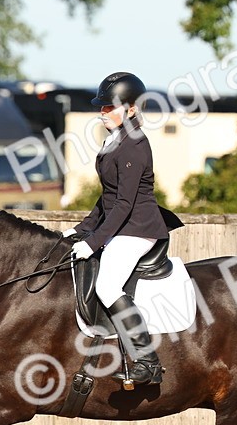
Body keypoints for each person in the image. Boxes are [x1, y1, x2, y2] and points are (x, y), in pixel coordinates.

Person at [64, 71, 179, 386]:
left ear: (130, 109)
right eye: (101, 108)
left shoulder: (133, 145)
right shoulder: (114, 140)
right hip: (122, 225)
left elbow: (125, 204)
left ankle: (148, 362)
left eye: (109, 108)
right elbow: (107, 197)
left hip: (139, 229)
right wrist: (80, 230)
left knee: (107, 287)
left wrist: (94, 241)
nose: (102, 113)